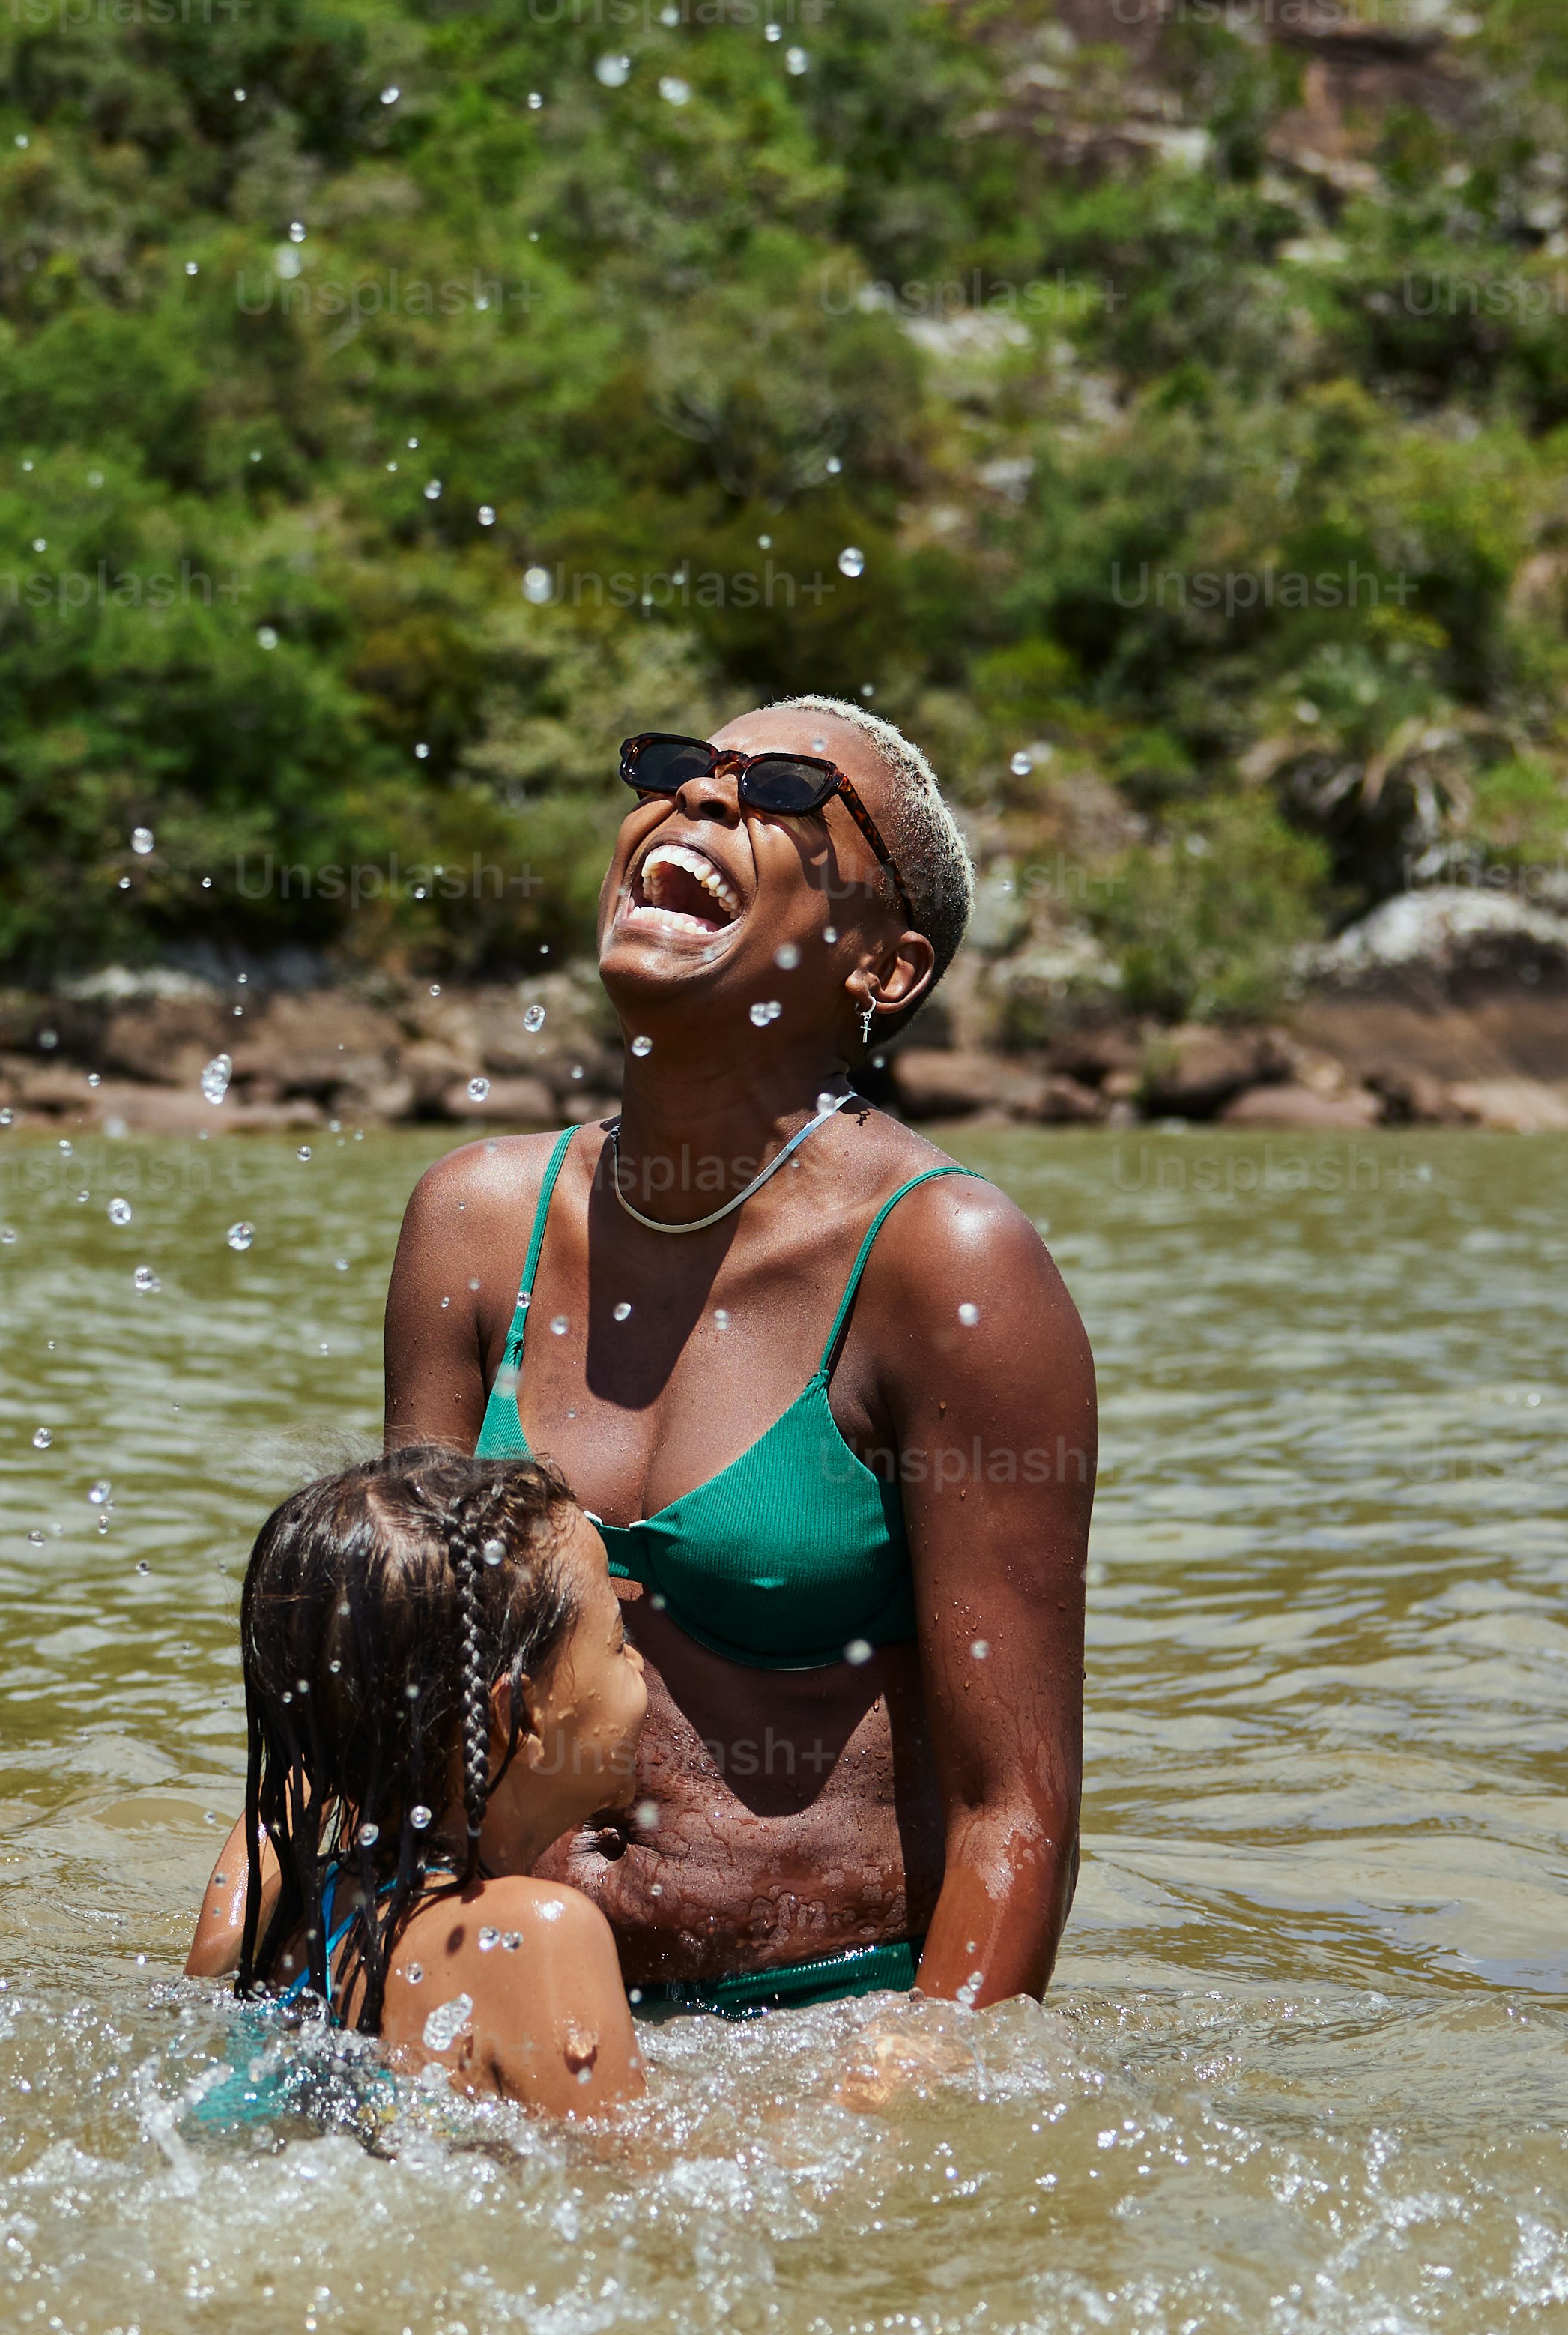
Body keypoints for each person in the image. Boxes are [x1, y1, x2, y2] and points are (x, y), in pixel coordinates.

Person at [379, 699, 1095, 2024]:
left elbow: (1017, 1811)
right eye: (668, 767)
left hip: (815, 2028)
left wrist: (908, 2099)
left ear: (885, 967)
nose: (703, 800)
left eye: (779, 787)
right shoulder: (474, 1223)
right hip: (516, 2000)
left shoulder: (945, 1265)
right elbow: (396, 1699)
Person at [187, 1446, 652, 2122]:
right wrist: (853, 2096)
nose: (639, 1663)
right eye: (618, 1641)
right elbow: (631, 2190)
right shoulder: (542, 1933)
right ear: (516, 1715)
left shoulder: (313, 1912)